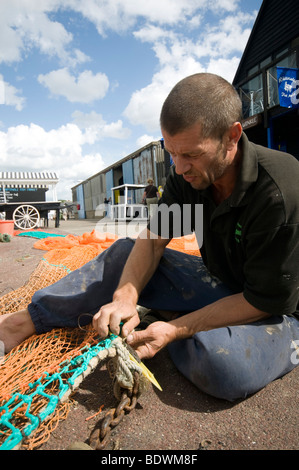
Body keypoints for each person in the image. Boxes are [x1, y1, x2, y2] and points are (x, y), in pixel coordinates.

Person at [1, 73, 298, 401]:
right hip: (226, 285)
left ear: (232, 136)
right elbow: (154, 241)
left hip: (276, 308)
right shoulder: (187, 177)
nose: (180, 166)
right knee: (123, 254)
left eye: (192, 154)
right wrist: (125, 298)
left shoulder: (278, 191)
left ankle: (172, 322)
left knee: (223, 368)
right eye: (171, 152)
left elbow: (262, 301)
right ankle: (19, 324)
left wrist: (175, 329)